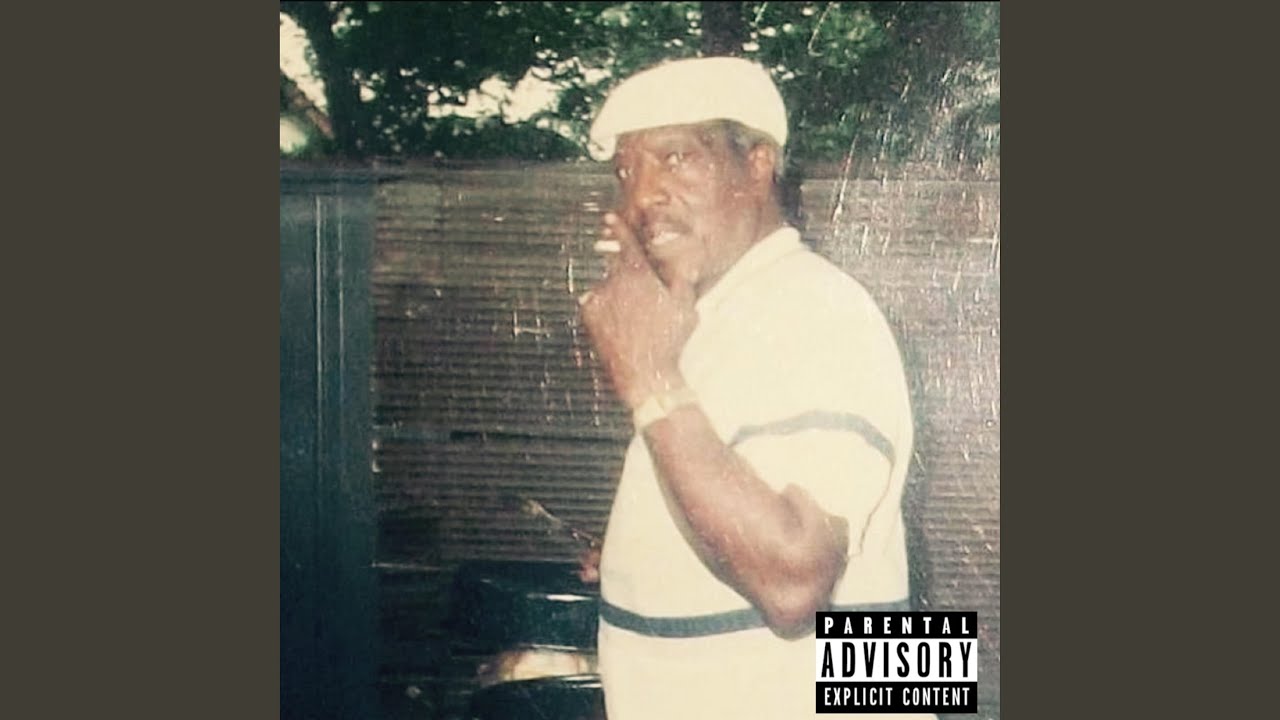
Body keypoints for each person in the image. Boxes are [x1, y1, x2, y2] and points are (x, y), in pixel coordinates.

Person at [577, 56, 930, 719]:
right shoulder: (721, 315)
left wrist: (647, 378)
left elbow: (794, 584)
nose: (642, 196)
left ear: (759, 164)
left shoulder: (814, 307)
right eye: (626, 171)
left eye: (675, 158)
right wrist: (658, 551)